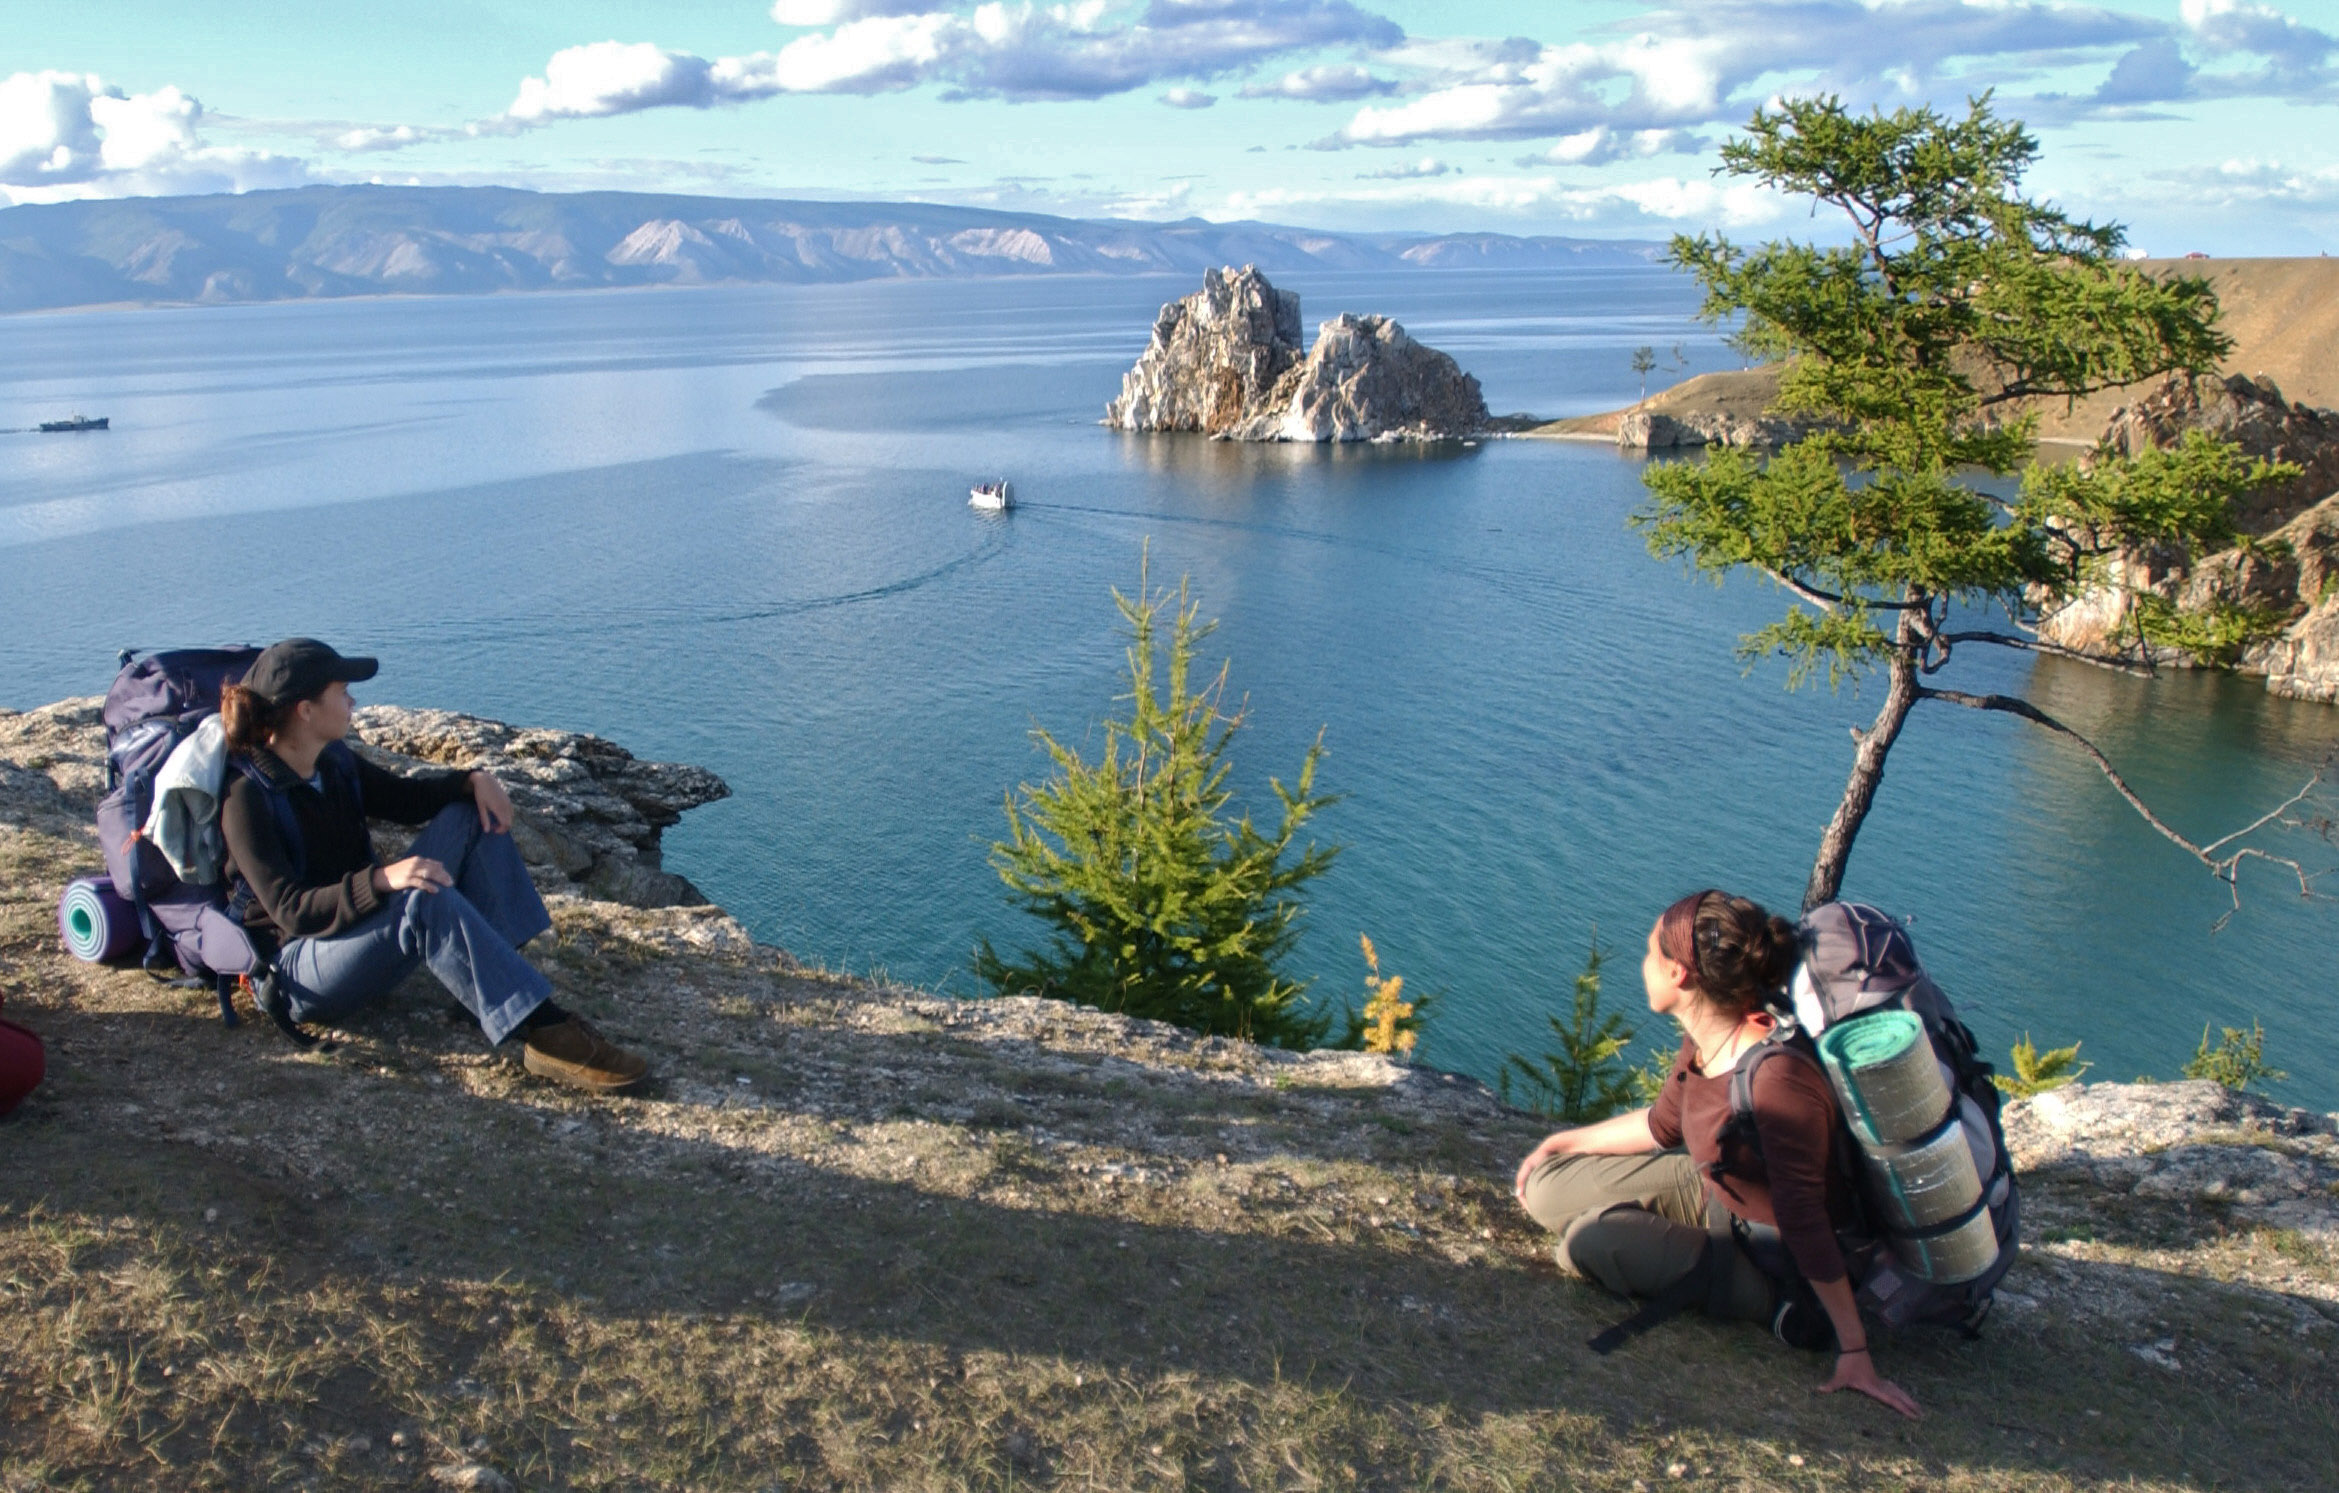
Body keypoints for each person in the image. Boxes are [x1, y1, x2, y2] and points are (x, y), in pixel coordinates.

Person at [1512, 889, 1920, 1420]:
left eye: (1650, 953)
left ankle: (1782, 1312)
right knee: (1544, 1188)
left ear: (1680, 974)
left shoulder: (1777, 1080)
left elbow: (1806, 1221)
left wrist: (1854, 1348)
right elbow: (1662, 1127)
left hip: (1778, 1261)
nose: (1643, 964)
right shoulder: (1708, 1036)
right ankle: (1655, 1238)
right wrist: (1562, 1142)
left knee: (1585, 1243)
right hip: (1720, 1195)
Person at [216, 637, 649, 1093]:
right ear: (305, 710)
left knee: (471, 818)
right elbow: (291, 909)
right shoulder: (245, 797)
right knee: (420, 899)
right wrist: (381, 880)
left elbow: (406, 798)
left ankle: (484, 987)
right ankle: (543, 1029)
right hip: (299, 968)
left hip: (358, 932)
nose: (352, 700)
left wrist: (472, 781)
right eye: (341, 691)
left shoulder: (332, 762)